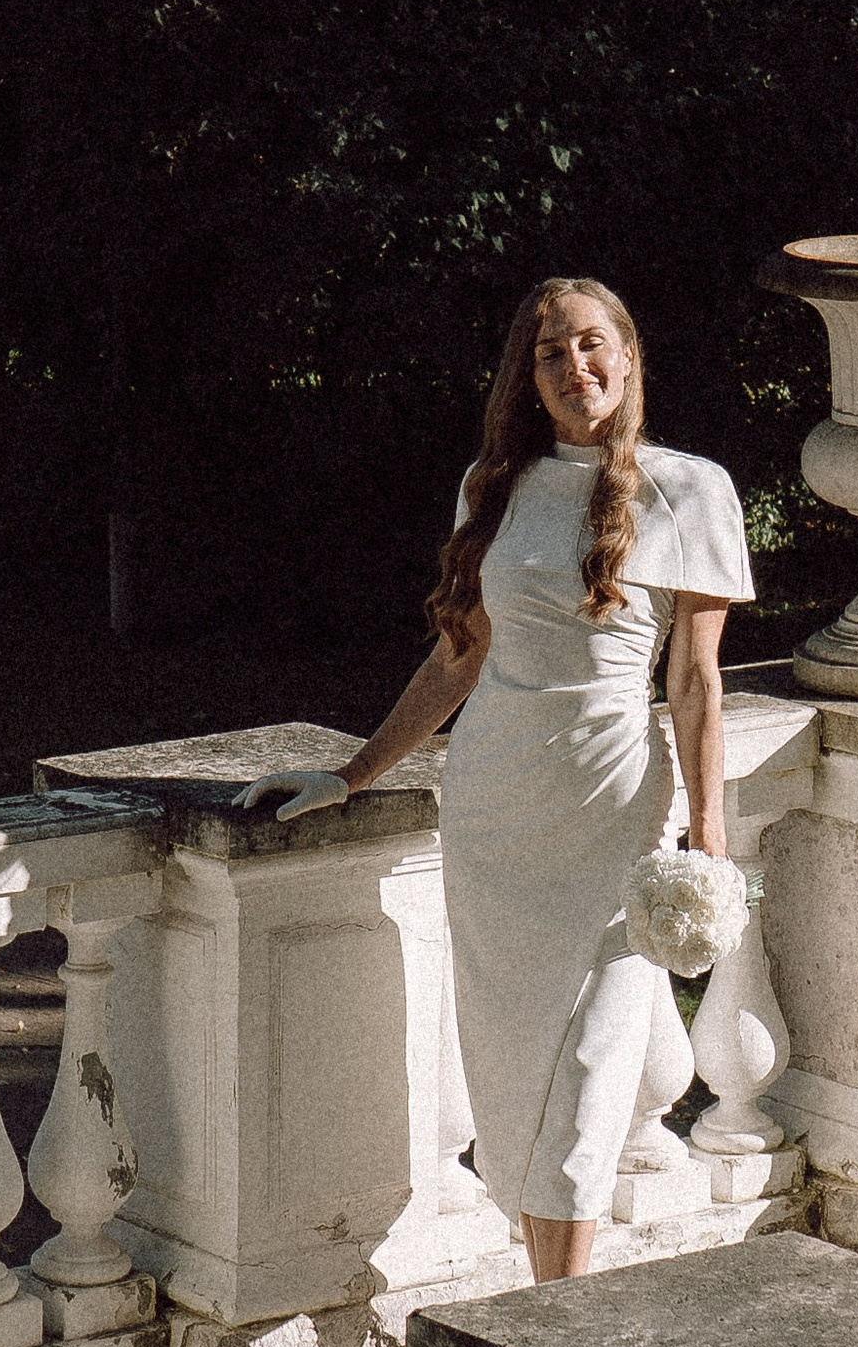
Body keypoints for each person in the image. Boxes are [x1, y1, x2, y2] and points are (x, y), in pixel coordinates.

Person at [245, 277, 751, 1281]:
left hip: (612, 811)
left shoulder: (691, 490)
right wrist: (351, 775)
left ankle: (558, 1320)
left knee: (596, 1064)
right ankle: (548, 1299)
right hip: (493, 811)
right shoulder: (493, 485)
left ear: (629, 354)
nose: (576, 368)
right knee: (514, 1070)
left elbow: (695, 681)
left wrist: (708, 831)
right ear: (528, 376)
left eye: (593, 344)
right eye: (551, 353)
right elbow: (457, 659)